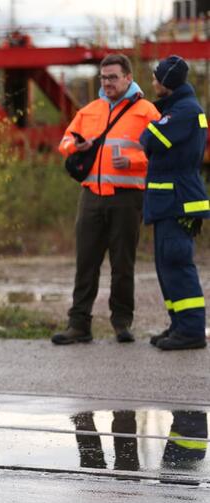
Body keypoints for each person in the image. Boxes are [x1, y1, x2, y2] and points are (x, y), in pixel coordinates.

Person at [51, 54, 160, 345]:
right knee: (85, 262)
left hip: (127, 198)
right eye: (103, 78)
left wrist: (134, 161)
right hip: (91, 198)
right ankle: (78, 325)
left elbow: (163, 155)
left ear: (127, 77)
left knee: (122, 264)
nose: (107, 82)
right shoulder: (89, 111)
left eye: (113, 77)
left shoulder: (147, 112)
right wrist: (76, 145)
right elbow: (63, 143)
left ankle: (122, 323)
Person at [139, 55, 209, 351]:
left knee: (176, 264)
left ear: (167, 82)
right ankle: (179, 324)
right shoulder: (178, 108)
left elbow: (151, 139)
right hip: (169, 201)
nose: (153, 82)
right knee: (166, 265)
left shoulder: (184, 111)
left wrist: (153, 122)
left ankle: (191, 330)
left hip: (176, 200)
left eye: (156, 78)